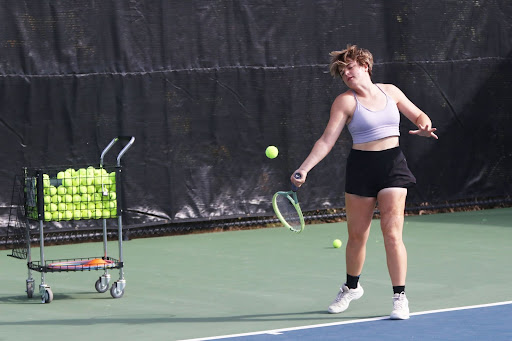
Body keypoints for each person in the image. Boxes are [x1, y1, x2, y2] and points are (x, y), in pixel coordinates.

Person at [290, 45, 438, 320]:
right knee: (357, 236)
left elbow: (418, 115)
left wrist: (425, 125)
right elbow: (326, 140)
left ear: (365, 66)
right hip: (361, 168)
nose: (346, 73)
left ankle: (399, 298)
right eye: (342, 71)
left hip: (392, 165)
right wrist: (304, 168)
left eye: (350, 67)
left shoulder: (390, 91)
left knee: (392, 233)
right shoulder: (345, 102)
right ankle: (351, 287)